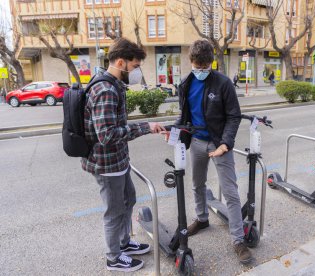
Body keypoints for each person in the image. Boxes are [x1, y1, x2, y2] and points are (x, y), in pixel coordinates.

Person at [81, 38, 165, 272]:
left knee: (128, 199)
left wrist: (146, 126)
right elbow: (106, 135)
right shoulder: (105, 89)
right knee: (114, 210)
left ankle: (124, 243)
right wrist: (145, 127)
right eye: (135, 66)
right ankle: (114, 257)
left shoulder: (112, 84)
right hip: (107, 165)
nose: (137, 71)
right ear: (121, 62)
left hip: (118, 161)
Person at [174, 39, 253, 264]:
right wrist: (174, 130)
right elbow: (184, 115)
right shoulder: (186, 83)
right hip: (197, 142)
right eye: (197, 66)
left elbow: (234, 116)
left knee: (230, 192)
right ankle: (201, 218)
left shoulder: (223, 83)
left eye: (205, 66)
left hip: (219, 144)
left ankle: (238, 240)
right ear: (191, 61)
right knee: (197, 184)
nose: (201, 70)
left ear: (212, 63)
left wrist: (225, 144)